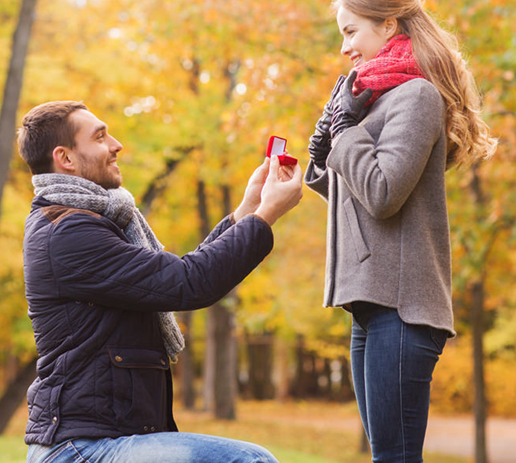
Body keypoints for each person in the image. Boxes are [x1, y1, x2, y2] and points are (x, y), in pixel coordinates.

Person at [16, 100, 302, 463]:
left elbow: (176, 276)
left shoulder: (88, 222)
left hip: (108, 438)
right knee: (250, 461)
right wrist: (265, 216)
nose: (116, 144)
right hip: (80, 449)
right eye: (101, 137)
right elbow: (189, 282)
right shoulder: (69, 233)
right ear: (66, 158)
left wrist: (248, 210)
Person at [304, 0, 497, 462]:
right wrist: (321, 156)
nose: (345, 46)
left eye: (352, 31)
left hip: (403, 308)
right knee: (385, 457)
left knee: (394, 459)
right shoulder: (373, 100)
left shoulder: (417, 98)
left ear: (389, 25)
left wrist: (345, 131)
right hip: (369, 306)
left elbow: (384, 194)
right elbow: (362, 205)